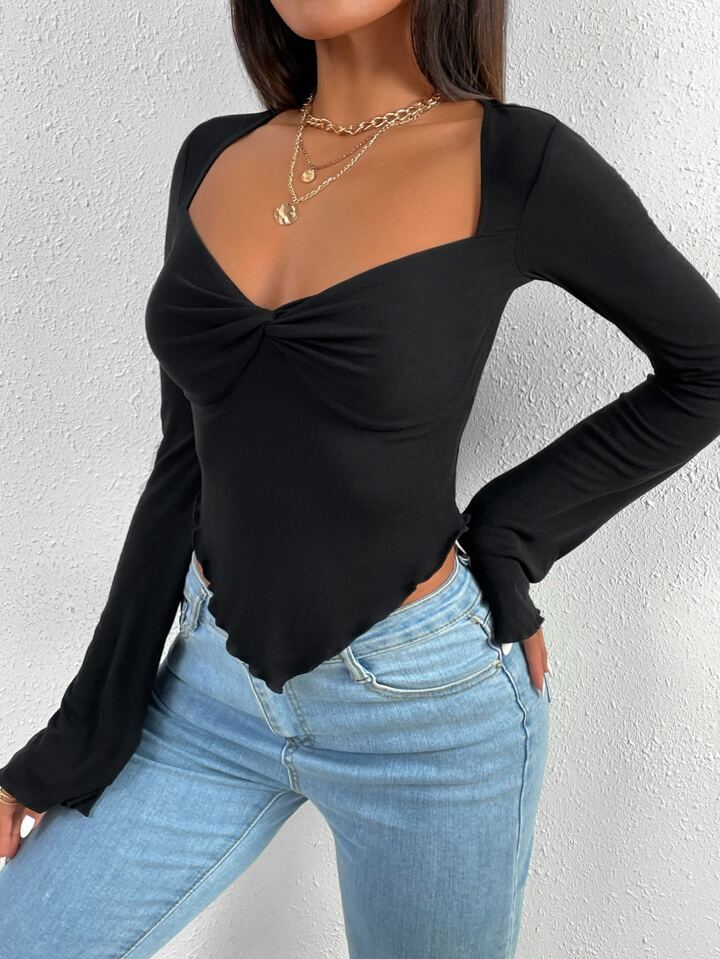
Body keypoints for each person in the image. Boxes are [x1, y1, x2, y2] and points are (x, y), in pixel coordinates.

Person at [1, 1, 719, 956]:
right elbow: (183, 461)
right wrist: (76, 736)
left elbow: (705, 367)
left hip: (423, 715)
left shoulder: (516, 163)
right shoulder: (213, 156)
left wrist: (510, 534)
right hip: (209, 689)